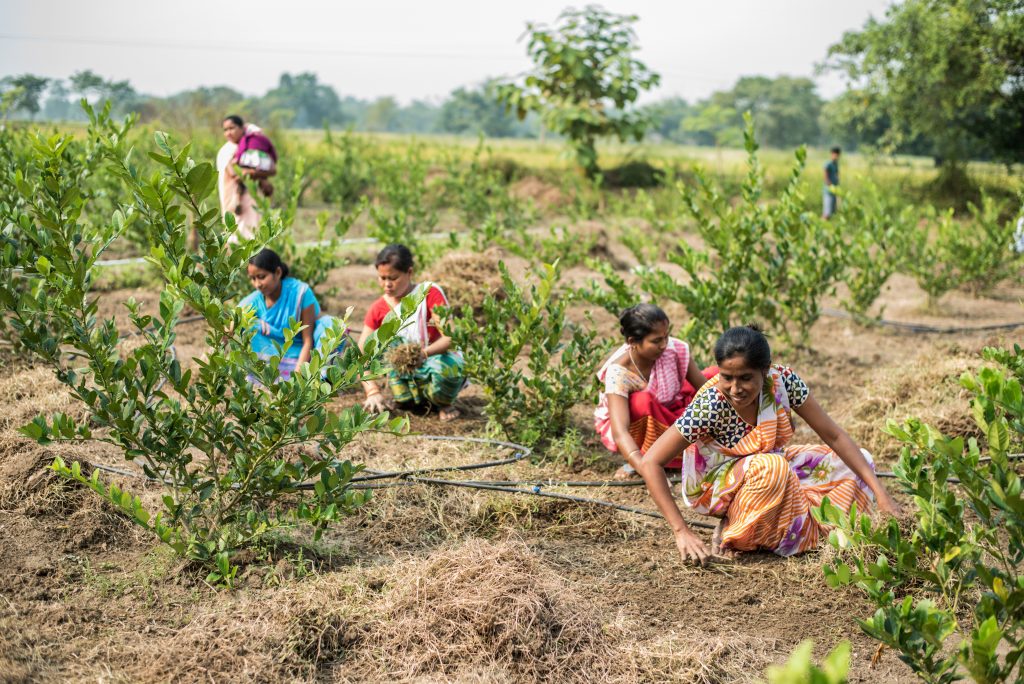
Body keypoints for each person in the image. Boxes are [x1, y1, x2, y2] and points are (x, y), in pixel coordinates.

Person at [631, 325, 901, 565]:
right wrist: (682, 531)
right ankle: (735, 530)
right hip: (717, 485)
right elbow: (651, 461)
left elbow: (835, 436)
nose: (735, 388)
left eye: (746, 378)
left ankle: (804, 524)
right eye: (727, 377)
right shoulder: (711, 405)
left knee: (856, 461)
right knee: (773, 467)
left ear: (765, 370)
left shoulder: (783, 381)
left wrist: (881, 493)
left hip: (769, 467)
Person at [594, 304, 717, 479]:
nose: (664, 345)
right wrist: (645, 468)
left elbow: (705, 388)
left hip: (672, 408)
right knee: (641, 401)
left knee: (716, 375)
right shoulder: (619, 373)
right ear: (632, 342)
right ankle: (646, 457)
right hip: (645, 422)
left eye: (666, 337)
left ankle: (686, 449)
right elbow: (620, 431)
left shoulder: (674, 349)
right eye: (656, 341)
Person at [359, 244, 466, 421]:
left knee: (448, 369)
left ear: (409, 272)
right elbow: (361, 353)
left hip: (433, 363)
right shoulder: (378, 309)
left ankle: (444, 402)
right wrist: (372, 391)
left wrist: (423, 354)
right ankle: (406, 399)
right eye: (382, 278)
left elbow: (451, 339)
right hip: (402, 376)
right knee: (384, 345)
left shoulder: (428, 293)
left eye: (393, 278)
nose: (387, 284)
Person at [238, 248, 343, 381]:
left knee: (331, 325)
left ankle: (320, 376)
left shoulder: (300, 293)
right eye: (253, 279)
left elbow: (308, 340)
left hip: (304, 354)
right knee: (247, 324)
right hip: (274, 355)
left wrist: (298, 377)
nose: (257, 284)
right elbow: (232, 323)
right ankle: (265, 375)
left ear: (277, 272)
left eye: (261, 277)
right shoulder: (254, 300)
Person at [216, 115, 277, 243]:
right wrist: (255, 174)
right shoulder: (228, 150)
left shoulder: (251, 146)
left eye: (232, 128)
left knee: (254, 231)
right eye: (225, 130)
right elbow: (236, 174)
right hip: (234, 196)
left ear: (241, 128)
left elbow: (271, 168)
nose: (228, 133)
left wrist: (253, 173)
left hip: (252, 195)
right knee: (237, 232)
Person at [822, 146, 841, 219]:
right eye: (835, 154)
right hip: (828, 191)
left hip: (834, 191)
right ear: (832, 154)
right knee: (827, 213)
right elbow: (825, 178)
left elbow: (837, 176)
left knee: (832, 213)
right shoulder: (828, 164)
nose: (836, 156)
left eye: (837, 155)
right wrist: (831, 187)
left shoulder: (835, 164)